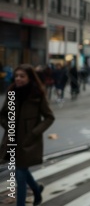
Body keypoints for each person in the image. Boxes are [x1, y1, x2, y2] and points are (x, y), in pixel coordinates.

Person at [0, 64, 55, 206]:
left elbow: (49, 117)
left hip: (29, 142)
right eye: (16, 76)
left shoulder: (37, 95)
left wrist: (34, 132)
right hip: (12, 140)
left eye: (22, 76)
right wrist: (9, 126)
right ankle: (37, 190)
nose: (18, 79)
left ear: (30, 78)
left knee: (20, 174)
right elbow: (2, 115)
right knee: (22, 171)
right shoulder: (12, 92)